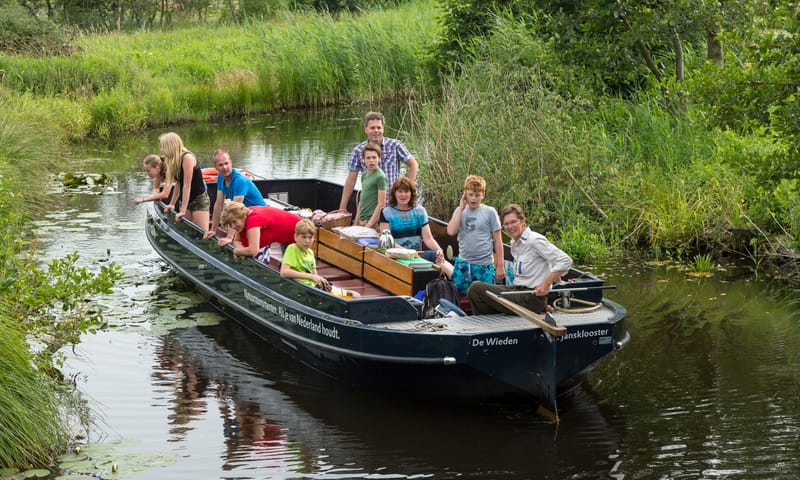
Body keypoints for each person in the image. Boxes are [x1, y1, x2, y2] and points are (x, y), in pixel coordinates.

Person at [467, 204, 572, 315]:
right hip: (518, 291)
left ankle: (488, 325)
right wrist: (554, 274)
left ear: (522, 221)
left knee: (476, 288)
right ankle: (491, 324)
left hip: (531, 298)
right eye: (506, 224)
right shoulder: (515, 243)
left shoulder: (534, 240)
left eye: (513, 222)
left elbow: (565, 260)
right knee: (475, 291)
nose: (510, 226)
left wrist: (547, 283)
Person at [338, 111, 419, 212]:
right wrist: (342, 207)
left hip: (393, 202)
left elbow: (413, 165)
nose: (376, 131)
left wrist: (406, 191)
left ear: (383, 129)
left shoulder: (395, 146)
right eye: (372, 128)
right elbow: (351, 180)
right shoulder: (358, 151)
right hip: (370, 204)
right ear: (366, 130)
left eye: (379, 127)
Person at [378, 176, 453, 277]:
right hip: (397, 256)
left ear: (411, 194)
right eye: (400, 191)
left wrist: (439, 250)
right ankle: (460, 283)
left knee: (439, 257)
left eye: (406, 191)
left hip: (418, 255)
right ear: (394, 193)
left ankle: (458, 282)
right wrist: (409, 253)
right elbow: (388, 243)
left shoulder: (420, 211)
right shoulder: (387, 212)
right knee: (435, 257)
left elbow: (428, 238)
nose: (403, 195)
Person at [446, 175, 505, 294]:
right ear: (465, 194)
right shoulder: (459, 211)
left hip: (483, 266)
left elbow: (498, 241)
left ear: (483, 195)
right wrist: (461, 208)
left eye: (477, 195)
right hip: (463, 264)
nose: (473, 198)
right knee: (458, 295)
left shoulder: (489, 212)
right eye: (470, 194)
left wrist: (500, 265)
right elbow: (451, 231)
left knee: (484, 296)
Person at [204, 149, 267, 241]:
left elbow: (234, 211)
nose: (224, 167)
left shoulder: (240, 180)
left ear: (231, 163)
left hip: (258, 215)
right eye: (220, 165)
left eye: (226, 163)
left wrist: (229, 237)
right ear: (216, 167)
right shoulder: (221, 177)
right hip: (244, 215)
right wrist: (213, 230)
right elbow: (218, 204)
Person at [219, 201, 300, 262]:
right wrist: (241, 249)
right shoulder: (245, 215)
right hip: (284, 235)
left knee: (293, 268)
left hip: (298, 234)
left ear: (242, 216)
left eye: (234, 222)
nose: (233, 226)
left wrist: (236, 250)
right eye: (230, 224)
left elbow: (253, 251)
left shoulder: (253, 221)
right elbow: (237, 240)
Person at [160, 132, 210, 228]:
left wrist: (182, 211)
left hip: (198, 199)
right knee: (188, 230)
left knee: (202, 232)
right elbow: (179, 183)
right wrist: (172, 204)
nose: (161, 149)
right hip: (185, 199)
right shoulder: (173, 159)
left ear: (170, 146)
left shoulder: (187, 158)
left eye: (163, 146)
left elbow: (187, 185)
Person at [353, 142, 387, 229]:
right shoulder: (364, 174)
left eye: (374, 157)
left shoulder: (380, 176)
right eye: (368, 158)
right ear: (364, 160)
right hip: (362, 220)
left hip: (372, 222)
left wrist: (369, 225)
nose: (371, 160)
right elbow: (362, 201)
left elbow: (381, 204)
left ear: (379, 158)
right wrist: (356, 222)